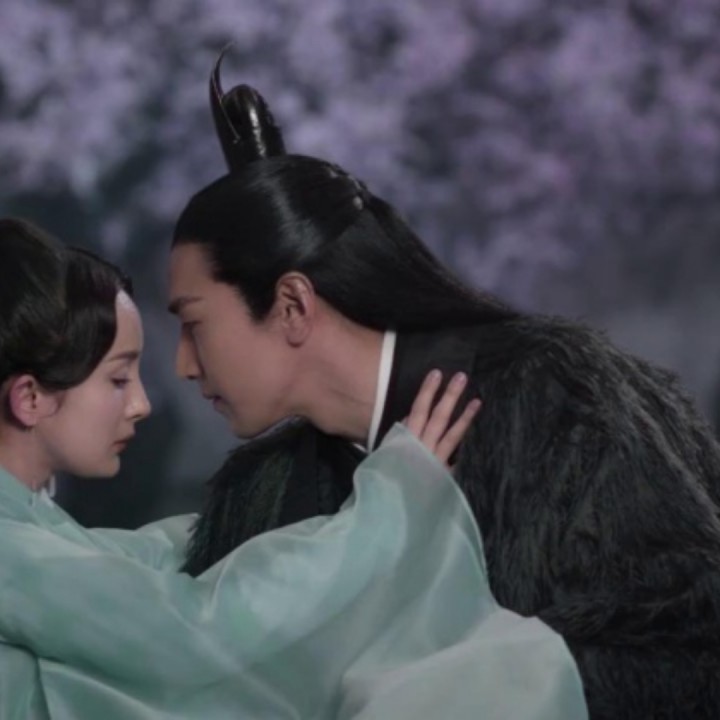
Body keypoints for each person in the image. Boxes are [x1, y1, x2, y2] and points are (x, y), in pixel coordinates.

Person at [165, 60, 720, 719]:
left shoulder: (556, 398)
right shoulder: (257, 495)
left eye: (194, 325)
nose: (183, 365)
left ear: (292, 305)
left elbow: (687, 637)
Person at [0, 218, 588, 719]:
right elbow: (193, 629)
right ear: (28, 398)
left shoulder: (32, 530)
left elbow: (142, 563)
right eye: (118, 378)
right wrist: (393, 501)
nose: (142, 403)